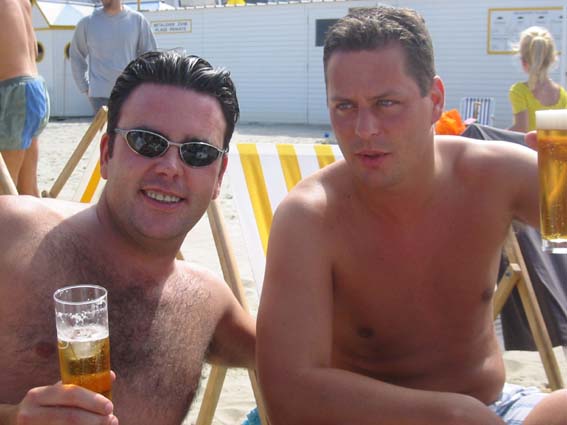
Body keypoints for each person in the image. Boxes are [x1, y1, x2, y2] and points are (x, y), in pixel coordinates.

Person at [256, 7, 567, 425]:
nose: (364, 129)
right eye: (344, 106)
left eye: (386, 103)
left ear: (435, 100)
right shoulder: (311, 218)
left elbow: (563, 229)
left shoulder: (494, 176)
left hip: (495, 408)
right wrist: (451, 415)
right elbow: (288, 394)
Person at [0, 50, 255, 425]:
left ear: (218, 176)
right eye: (147, 141)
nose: (170, 168)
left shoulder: (208, 304)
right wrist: (12, 417)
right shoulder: (12, 234)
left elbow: (306, 360)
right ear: (107, 154)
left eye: (198, 152)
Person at [70, 0, 156, 114]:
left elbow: (150, 57)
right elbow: (76, 56)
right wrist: (84, 87)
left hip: (129, 94)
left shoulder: (137, 20)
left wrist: (143, 88)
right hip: (99, 97)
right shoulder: (87, 23)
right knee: (108, 127)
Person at [0, 0, 50, 196]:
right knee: (28, 189)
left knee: (5, 192)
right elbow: (34, 50)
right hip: (35, 87)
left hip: (14, 92)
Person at [508, 26, 567, 133]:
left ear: (523, 62)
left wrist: (494, 135)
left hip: (528, 144)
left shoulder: (519, 91)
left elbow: (521, 129)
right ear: (552, 59)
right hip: (554, 144)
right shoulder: (561, 94)